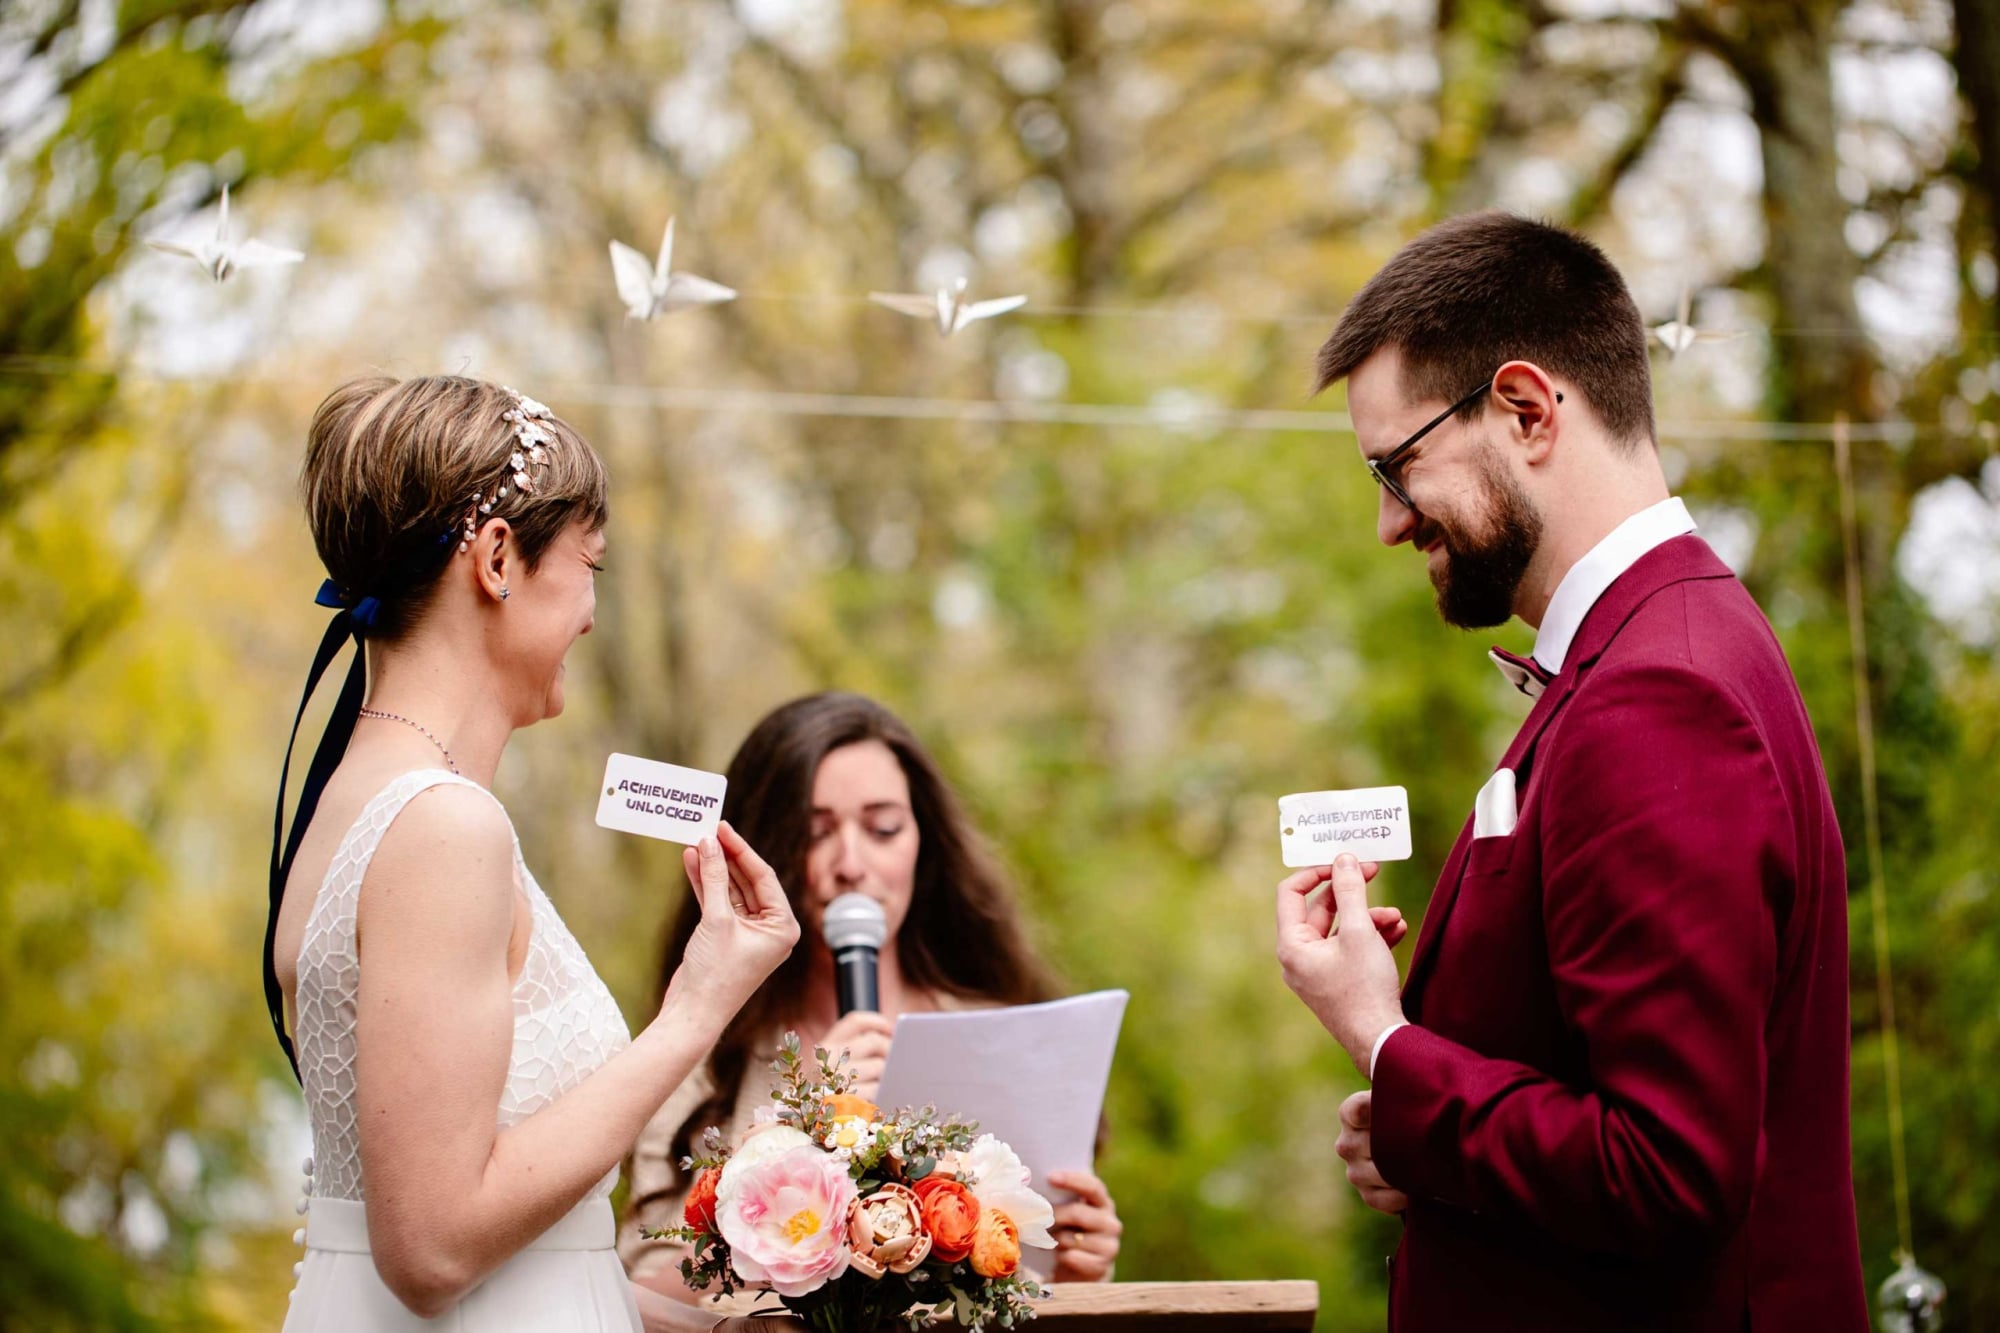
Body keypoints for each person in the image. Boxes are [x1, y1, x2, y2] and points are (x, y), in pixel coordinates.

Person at [1274, 213, 1868, 1329]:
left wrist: (1382, 1039)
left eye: (1398, 466)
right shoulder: (1658, 647)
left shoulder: (1660, 695)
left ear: (1526, 409)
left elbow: (1666, 1173)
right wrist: (1430, 1148)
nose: (1389, 523)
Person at [268, 374, 798, 1332]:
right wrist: (698, 1008)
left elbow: (521, 1247)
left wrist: (715, 1321)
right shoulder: (443, 828)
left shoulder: (360, 798)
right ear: (500, 559)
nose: (592, 611)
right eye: (590, 563)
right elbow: (432, 1248)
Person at [620, 692, 1124, 1304]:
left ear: (923, 842)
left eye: (883, 828)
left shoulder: (1001, 1036)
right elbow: (642, 1293)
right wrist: (791, 1133)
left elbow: (1022, 1286)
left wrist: (1075, 1274)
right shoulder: (700, 1052)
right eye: (815, 833)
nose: (851, 864)